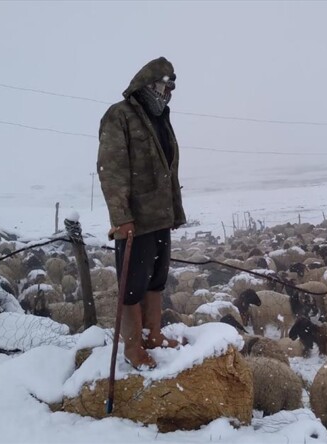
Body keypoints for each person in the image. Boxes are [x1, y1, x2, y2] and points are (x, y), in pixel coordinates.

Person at [97, 57, 186, 368]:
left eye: (172, 87)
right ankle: (133, 348)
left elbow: (166, 169)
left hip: (160, 216)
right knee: (132, 285)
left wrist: (173, 209)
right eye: (165, 85)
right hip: (136, 219)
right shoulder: (120, 116)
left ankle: (153, 335)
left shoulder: (160, 117)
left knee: (156, 279)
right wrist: (121, 217)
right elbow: (112, 170)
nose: (169, 92)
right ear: (149, 84)